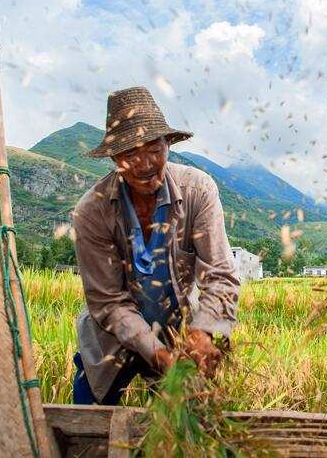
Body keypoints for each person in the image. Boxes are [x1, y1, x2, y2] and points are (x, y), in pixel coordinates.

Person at [71, 86, 240, 405]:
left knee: (186, 428)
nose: (145, 163)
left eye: (154, 149)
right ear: (113, 158)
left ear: (168, 145)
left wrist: (202, 332)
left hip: (175, 331)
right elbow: (108, 303)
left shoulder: (197, 191)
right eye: (130, 154)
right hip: (111, 337)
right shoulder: (92, 211)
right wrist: (156, 352)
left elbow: (220, 274)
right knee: (88, 429)